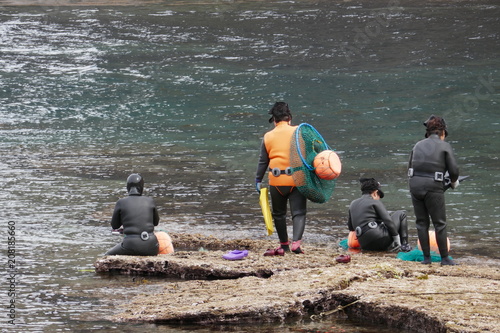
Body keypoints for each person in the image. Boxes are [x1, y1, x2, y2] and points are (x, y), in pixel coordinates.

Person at [255, 102, 307, 255]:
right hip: (296, 179)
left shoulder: (268, 136)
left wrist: (258, 180)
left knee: (279, 214)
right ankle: (296, 243)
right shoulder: (299, 132)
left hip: (276, 181)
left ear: (274, 120)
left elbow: (263, 161)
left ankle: (284, 246)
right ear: (289, 118)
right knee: (298, 213)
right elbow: (309, 154)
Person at [408, 115, 459, 266]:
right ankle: (444, 258)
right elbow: (454, 171)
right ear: (442, 132)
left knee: (421, 223)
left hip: (415, 186)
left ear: (428, 132)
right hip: (433, 187)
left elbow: (410, 167)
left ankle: (426, 259)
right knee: (439, 223)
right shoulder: (445, 146)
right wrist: (451, 182)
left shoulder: (417, 145)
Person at [348, 178, 412, 252]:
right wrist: (397, 239)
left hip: (364, 244)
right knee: (401, 214)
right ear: (375, 193)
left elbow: (351, 227)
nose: (379, 199)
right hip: (380, 240)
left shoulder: (353, 203)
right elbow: (388, 221)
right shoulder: (374, 202)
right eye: (379, 196)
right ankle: (405, 245)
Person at [105, 173, 159, 256]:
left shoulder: (121, 202)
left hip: (130, 244)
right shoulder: (150, 201)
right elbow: (155, 223)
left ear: (128, 187)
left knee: (107, 255)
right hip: (151, 245)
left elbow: (115, 226)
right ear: (141, 187)